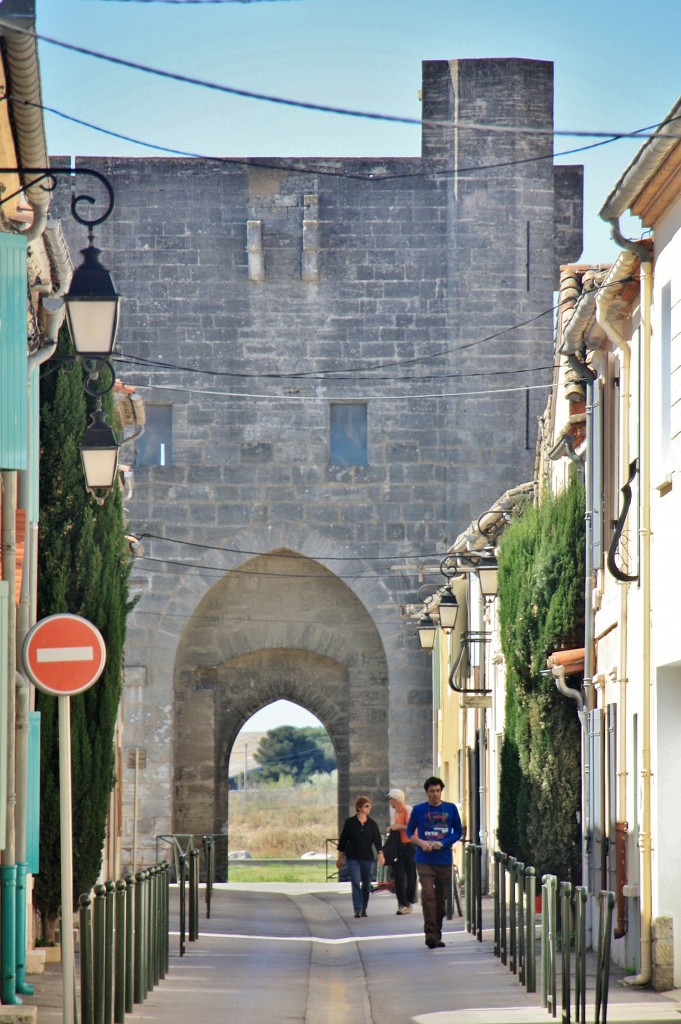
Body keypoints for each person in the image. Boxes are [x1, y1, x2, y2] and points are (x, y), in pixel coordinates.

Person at [407, 776, 462, 948]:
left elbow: (458, 832)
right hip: (424, 860)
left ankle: (437, 933)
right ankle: (429, 935)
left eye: (438, 791)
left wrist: (443, 843)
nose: (435, 794)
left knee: (440, 900)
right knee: (428, 896)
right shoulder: (418, 810)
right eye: (432, 791)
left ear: (441, 791)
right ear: (427, 793)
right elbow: (409, 833)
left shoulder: (451, 809)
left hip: (444, 859)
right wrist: (422, 843)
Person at [337, 796, 383, 918]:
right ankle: (357, 909)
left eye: (370, 806)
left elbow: (377, 841)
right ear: (359, 807)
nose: (369, 808)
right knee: (356, 882)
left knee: (367, 884)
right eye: (366, 806)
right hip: (353, 857)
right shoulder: (350, 823)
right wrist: (339, 857)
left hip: (367, 858)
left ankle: (364, 908)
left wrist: (381, 854)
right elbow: (343, 841)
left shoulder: (372, 824)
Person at [380, 788, 417, 915]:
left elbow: (412, 828)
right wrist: (392, 828)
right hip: (399, 846)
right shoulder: (396, 812)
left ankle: (409, 901)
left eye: (391, 799)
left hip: (410, 845)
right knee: (398, 876)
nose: (390, 802)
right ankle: (402, 903)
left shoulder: (407, 810)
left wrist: (398, 827)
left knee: (411, 875)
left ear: (396, 800)